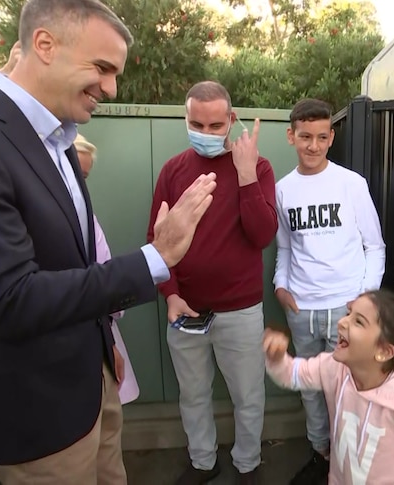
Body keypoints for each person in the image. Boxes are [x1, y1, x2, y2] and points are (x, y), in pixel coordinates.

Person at [0, 0, 217, 482]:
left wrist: (102, 343)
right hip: (41, 413)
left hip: (95, 389)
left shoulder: (58, 139)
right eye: (102, 68)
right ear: (44, 45)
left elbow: (71, 261)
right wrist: (157, 256)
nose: (111, 89)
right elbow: (9, 300)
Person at [146, 80, 276, 485]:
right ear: (186, 118)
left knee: (248, 396)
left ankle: (248, 465)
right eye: (196, 123)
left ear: (231, 120)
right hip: (185, 309)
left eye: (214, 124)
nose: (204, 133)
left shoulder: (259, 167)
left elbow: (262, 235)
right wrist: (169, 294)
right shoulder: (173, 170)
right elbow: (157, 238)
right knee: (193, 395)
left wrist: (244, 176)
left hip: (240, 310)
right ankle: (203, 461)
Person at [272, 98, 386, 483]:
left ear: (331, 137)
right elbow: (285, 247)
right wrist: (281, 284)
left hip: (346, 308)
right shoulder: (283, 190)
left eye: (322, 137)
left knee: (349, 389)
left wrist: (366, 297)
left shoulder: (352, 184)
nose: (313, 145)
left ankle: (346, 464)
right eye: (305, 136)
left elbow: (375, 245)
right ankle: (320, 455)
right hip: (301, 308)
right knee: (309, 388)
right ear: (291, 136)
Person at [263, 289, 394, 484]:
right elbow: (294, 375)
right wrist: (278, 358)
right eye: (349, 314)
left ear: (383, 352)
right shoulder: (335, 368)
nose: (342, 322)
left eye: (358, 321)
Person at [74, 133, 140, 404]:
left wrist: (107, 338)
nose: (78, 184)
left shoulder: (86, 217)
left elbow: (104, 278)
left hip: (100, 331)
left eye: (84, 177)